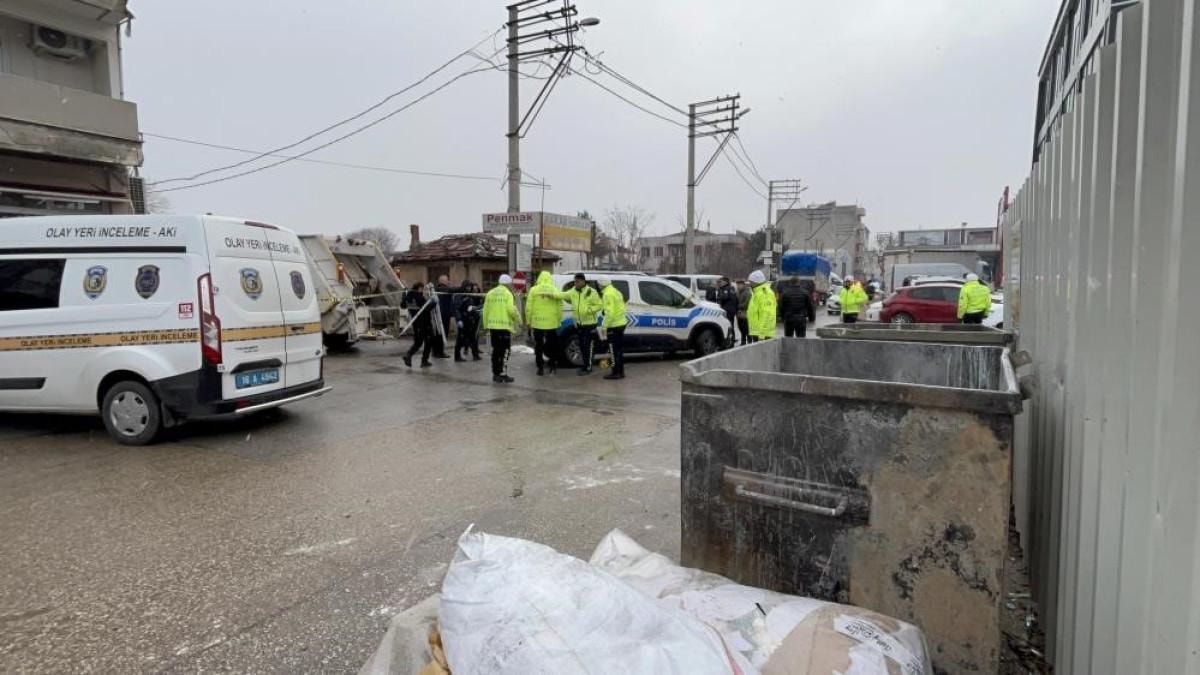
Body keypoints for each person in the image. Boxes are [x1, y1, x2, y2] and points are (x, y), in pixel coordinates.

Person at [525, 270, 570, 375]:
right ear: (549, 278)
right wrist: (558, 320)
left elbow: (528, 307)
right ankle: (553, 365)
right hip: (551, 323)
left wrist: (528, 320)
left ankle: (540, 368)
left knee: (539, 345)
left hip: (537, 322)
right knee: (552, 345)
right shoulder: (554, 289)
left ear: (539, 278)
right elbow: (560, 306)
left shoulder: (533, 290)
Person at [482, 275, 521, 383]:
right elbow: (511, 309)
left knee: (496, 351)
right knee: (505, 351)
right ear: (508, 284)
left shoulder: (490, 293)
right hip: (504, 327)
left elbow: (485, 310)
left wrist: (485, 325)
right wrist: (519, 320)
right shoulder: (508, 293)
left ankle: (495, 374)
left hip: (493, 327)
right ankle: (503, 374)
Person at [565, 273, 603, 375]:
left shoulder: (591, 291)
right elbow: (562, 295)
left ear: (583, 281)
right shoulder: (574, 291)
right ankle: (585, 366)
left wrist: (589, 310)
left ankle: (588, 367)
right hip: (580, 325)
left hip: (590, 324)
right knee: (582, 346)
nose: (575, 283)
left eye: (577, 281)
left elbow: (599, 305)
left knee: (588, 347)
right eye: (574, 281)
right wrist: (550, 294)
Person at [598, 276, 627, 380]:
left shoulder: (607, 294)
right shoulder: (616, 291)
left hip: (614, 325)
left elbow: (609, 313)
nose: (598, 286)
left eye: (599, 284)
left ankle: (616, 373)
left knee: (613, 350)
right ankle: (620, 371)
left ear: (602, 284)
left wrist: (604, 326)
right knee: (618, 349)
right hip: (621, 323)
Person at [402, 284, 434, 368]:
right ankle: (424, 360)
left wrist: (403, 295)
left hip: (415, 323)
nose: (423, 291)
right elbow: (426, 308)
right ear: (419, 288)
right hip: (424, 322)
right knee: (428, 341)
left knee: (418, 342)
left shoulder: (408, 297)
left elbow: (402, 305)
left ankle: (409, 355)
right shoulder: (419, 297)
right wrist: (433, 303)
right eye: (422, 289)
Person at [454, 280, 483, 361]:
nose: (469, 288)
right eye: (467, 286)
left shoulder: (470, 295)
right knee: (460, 339)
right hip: (463, 320)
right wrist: (459, 319)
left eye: (470, 287)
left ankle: (475, 355)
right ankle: (457, 356)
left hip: (470, 320)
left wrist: (477, 312)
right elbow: (456, 309)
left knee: (473, 338)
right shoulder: (459, 295)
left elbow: (471, 308)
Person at [746, 270, 777, 343]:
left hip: (763, 334)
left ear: (756, 282)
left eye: (751, 282)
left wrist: (762, 335)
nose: (749, 284)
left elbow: (766, 314)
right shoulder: (758, 292)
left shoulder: (764, 293)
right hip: (758, 332)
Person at [432, 275, 456, 359]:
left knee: (438, 334)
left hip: (441, 314)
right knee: (442, 334)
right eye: (447, 280)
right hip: (442, 315)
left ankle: (436, 352)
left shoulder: (438, 289)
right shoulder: (441, 289)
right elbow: (451, 290)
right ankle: (439, 352)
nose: (449, 281)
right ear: (443, 281)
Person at [713, 277, 740, 344]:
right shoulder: (723, 289)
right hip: (725, 309)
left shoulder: (729, 288)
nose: (720, 283)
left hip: (729, 310)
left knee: (729, 324)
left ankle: (731, 339)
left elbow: (725, 297)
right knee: (727, 324)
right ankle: (729, 338)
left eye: (721, 282)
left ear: (725, 282)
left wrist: (719, 295)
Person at [735, 279, 751, 346]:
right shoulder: (738, 293)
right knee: (741, 328)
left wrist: (738, 306)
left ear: (743, 285)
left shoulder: (747, 293)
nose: (738, 286)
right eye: (737, 285)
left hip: (745, 313)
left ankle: (749, 342)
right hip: (739, 313)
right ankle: (743, 342)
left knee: (747, 329)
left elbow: (747, 303)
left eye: (739, 285)